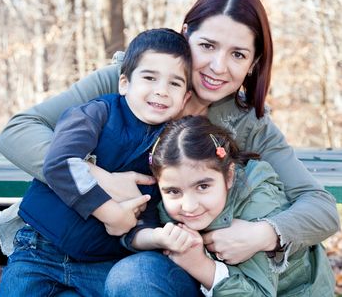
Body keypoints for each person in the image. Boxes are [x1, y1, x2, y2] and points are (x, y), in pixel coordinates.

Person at [0, 0, 339, 296]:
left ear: (253, 63)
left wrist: (262, 234)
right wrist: (101, 180)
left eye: (237, 54)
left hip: (188, 266)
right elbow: (19, 131)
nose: (218, 66)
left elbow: (322, 208)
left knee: (133, 277)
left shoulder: (250, 123)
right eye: (207, 45)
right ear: (186, 34)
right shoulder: (132, 79)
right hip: (85, 244)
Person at [0, 28, 193, 296]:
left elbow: (144, 214)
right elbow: (60, 162)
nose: (161, 91)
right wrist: (109, 211)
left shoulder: (171, 145)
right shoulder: (96, 113)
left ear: (186, 98)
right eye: (149, 77)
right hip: (40, 249)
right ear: (124, 83)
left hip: (102, 262)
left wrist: (155, 237)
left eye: (175, 83)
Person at [119, 115, 334, 296]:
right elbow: (131, 230)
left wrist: (199, 265)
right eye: (174, 191)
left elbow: (260, 292)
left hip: (287, 292)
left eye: (202, 186)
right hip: (219, 284)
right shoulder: (170, 202)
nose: (189, 206)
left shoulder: (257, 202)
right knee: (130, 275)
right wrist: (157, 237)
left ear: (229, 176)